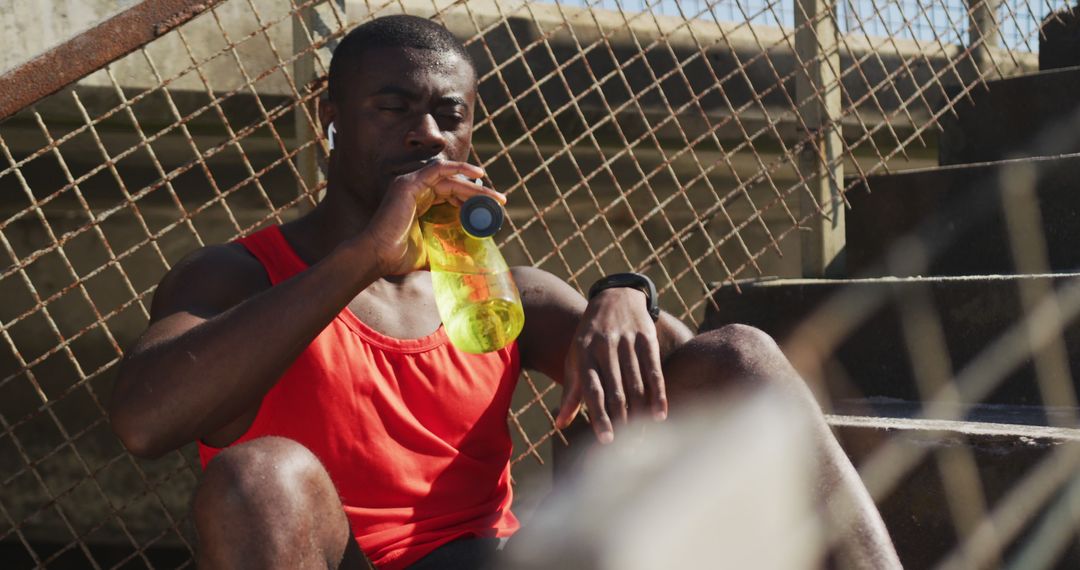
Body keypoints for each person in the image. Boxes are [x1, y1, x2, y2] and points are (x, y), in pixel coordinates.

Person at [108, 15, 900, 570]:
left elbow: (713, 381)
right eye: (392, 107)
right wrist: (359, 259)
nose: (425, 133)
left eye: (448, 114)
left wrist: (622, 290)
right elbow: (143, 423)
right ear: (331, 119)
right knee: (259, 476)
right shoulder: (237, 275)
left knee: (745, 351)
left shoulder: (497, 289)